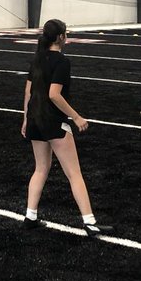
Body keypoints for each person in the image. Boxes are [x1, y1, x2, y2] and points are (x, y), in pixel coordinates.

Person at [21, 18, 109, 236]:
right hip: (53, 121)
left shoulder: (37, 59)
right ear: (61, 37)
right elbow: (54, 95)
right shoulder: (61, 62)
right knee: (74, 173)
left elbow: (28, 93)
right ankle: (89, 222)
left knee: (40, 169)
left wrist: (25, 119)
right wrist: (77, 117)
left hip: (35, 119)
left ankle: (30, 216)